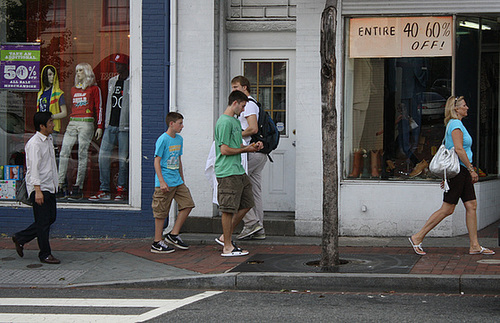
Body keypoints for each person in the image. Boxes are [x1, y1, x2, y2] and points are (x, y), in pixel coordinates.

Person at [409, 96, 495, 256]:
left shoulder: (457, 124)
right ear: (456, 109)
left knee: (472, 205)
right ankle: (417, 237)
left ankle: (474, 245)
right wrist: (471, 169)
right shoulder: (455, 124)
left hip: (460, 172)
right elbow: (458, 149)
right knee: (447, 209)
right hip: (460, 171)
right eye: (464, 105)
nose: (467, 107)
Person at [214, 90, 263, 257]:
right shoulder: (224, 122)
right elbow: (225, 150)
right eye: (242, 106)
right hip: (227, 172)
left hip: (238, 170)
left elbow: (237, 145)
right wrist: (245, 149)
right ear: (234, 103)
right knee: (228, 210)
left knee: (248, 202)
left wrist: (252, 147)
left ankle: (224, 237)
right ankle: (227, 246)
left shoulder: (235, 122)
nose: (243, 111)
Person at [12, 112, 60, 264]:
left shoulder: (48, 139)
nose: (53, 124)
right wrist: (37, 190)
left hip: (49, 186)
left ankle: (21, 238)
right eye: (51, 122)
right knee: (43, 223)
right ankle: (45, 254)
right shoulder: (34, 144)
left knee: (49, 218)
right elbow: (33, 169)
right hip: (40, 188)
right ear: (42, 126)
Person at [150, 112, 195, 253]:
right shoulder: (163, 139)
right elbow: (156, 161)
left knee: (188, 204)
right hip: (165, 182)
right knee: (161, 212)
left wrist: (182, 179)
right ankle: (157, 242)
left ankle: (173, 234)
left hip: (177, 181)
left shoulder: (179, 139)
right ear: (171, 124)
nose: (182, 126)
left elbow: (179, 160)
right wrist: (161, 181)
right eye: (180, 123)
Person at [57, 63, 103, 200]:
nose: (78, 73)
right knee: (64, 151)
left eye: (81, 70)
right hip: (73, 122)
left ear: (87, 72)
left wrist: (100, 126)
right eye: (76, 71)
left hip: (86, 122)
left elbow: (99, 107)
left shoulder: (94, 89)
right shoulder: (73, 90)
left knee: (82, 154)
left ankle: (78, 186)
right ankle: (61, 184)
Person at [89, 54, 130, 201]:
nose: (117, 67)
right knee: (102, 157)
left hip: (124, 127)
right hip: (110, 125)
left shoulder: (131, 82)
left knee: (123, 159)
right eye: (115, 64)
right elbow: (108, 103)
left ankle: (121, 189)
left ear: (126, 65)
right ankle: (104, 188)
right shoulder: (112, 81)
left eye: (119, 64)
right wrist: (105, 124)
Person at [231, 75, 266, 240]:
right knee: (254, 190)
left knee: (235, 184)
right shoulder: (253, 104)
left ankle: (251, 222)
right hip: (258, 153)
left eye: (236, 87)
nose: (233, 91)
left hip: (250, 152)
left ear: (245, 87)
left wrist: (233, 135)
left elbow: (252, 128)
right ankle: (259, 229)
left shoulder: (249, 105)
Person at [37, 65, 67, 144]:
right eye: (50, 75)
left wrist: (50, 117)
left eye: (53, 74)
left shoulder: (58, 93)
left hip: (52, 128)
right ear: (44, 76)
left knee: (52, 149)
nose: (52, 77)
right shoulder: (40, 94)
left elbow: (64, 113)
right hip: (41, 127)